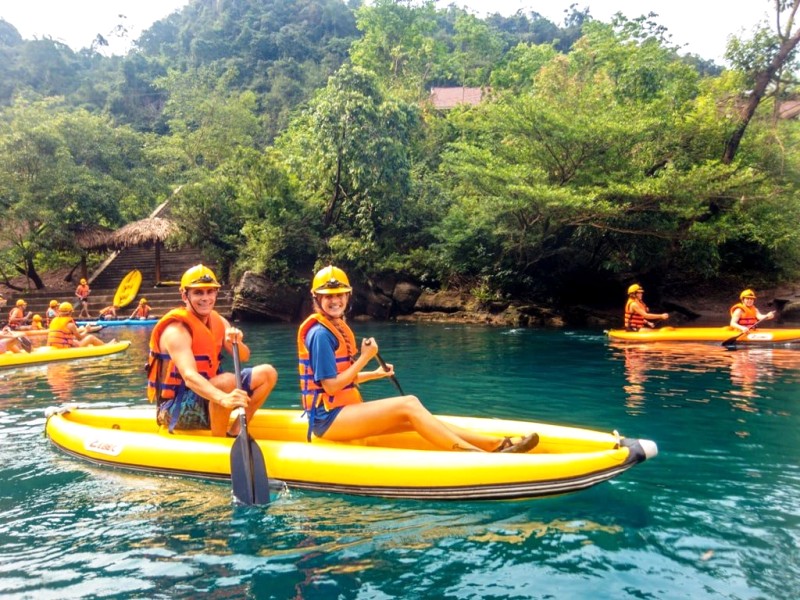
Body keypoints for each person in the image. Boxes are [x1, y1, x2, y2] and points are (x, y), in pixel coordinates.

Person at [297, 265, 539, 452]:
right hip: (327, 419)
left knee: (412, 417)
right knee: (409, 403)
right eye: (328, 296)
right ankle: (472, 454)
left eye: (339, 294)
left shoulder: (335, 327)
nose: (335, 300)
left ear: (348, 297)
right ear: (317, 299)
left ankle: (496, 444)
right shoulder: (320, 334)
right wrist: (365, 358)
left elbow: (340, 379)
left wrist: (375, 373)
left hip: (342, 412)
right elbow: (330, 386)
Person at [146, 264, 277, 437]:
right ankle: (220, 442)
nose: (205, 298)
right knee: (226, 382)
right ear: (185, 295)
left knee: (267, 373)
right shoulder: (176, 331)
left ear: (216, 293)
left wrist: (236, 342)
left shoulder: (218, 321)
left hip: (211, 396)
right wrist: (223, 398)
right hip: (176, 407)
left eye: (210, 292)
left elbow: (244, 357)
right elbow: (189, 377)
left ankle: (236, 430)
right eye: (198, 293)